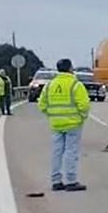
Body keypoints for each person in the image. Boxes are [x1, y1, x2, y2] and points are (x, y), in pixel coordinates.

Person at [38, 59, 90, 192]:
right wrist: (82, 117)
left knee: (57, 152)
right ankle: (71, 181)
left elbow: (41, 105)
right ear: (70, 68)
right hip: (73, 123)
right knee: (70, 151)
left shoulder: (50, 85)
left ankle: (56, 181)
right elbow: (84, 105)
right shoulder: (75, 85)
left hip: (56, 124)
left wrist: (52, 115)